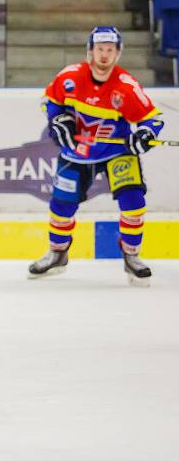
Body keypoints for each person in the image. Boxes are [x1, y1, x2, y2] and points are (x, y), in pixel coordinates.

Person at [29, 26, 164, 286]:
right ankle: (58, 254)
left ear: (118, 53)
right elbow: (49, 102)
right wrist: (59, 119)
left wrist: (144, 134)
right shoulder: (70, 77)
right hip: (77, 152)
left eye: (110, 50)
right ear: (90, 51)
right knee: (61, 206)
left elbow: (153, 119)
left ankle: (131, 256)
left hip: (118, 152)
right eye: (100, 49)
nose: (104, 55)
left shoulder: (126, 86)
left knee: (133, 201)